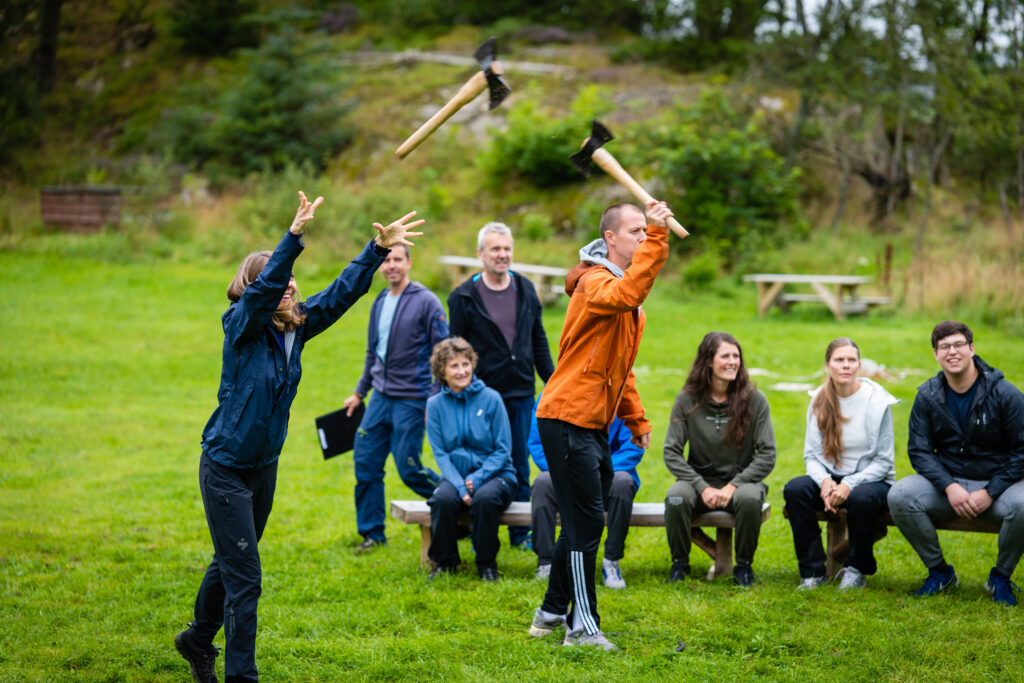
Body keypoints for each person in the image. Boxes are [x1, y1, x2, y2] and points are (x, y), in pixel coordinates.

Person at [175, 192, 424, 683]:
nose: (287, 285)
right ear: (252, 288)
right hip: (224, 465)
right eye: (275, 280)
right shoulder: (241, 326)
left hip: (262, 465)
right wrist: (292, 238)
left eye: (291, 278)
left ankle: (196, 640)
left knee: (230, 563)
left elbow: (340, 294)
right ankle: (240, 676)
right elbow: (266, 287)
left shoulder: (296, 328)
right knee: (246, 579)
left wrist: (375, 250)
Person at [527, 199, 673, 652]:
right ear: (610, 238)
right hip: (565, 415)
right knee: (587, 522)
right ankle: (581, 627)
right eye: (636, 232)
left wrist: (635, 417)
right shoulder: (595, 284)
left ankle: (551, 611)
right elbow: (629, 292)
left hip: (591, 422)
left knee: (585, 517)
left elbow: (621, 367)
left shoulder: (631, 307)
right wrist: (661, 235)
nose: (642, 238)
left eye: (644, 233)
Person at [888, 321, 1024, 606]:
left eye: (959, 344)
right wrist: (949, 486)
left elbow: (1022, 451)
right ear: (936, 354)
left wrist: (990, 491)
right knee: (900, 494)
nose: (952, 351)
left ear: (972, 349)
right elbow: (919, 451)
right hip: (948, 486)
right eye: (944, 346)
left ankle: (1000, 577)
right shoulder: (927, 396)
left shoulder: (1006, 394)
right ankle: (940, 572)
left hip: (998, 487)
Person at [447, 221, 555, 550]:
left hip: (521, 391)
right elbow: (456, 350)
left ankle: (520, 534)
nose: (502, 254)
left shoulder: (525, 289)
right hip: (482, 396)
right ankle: (480, 525)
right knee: (483, 461)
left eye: (507, 248)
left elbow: (538, 338)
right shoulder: (463, 297)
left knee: (520, 461)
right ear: (480, 254)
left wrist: (552, 381)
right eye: (495, 249)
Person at [341, 244, 449, 553]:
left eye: (397, 259)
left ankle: (455, 504)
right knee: (365, 462)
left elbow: (444, 352)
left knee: (409, 467)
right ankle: (373, 534)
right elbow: (372, 353)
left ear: (409, 263)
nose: (391, 266)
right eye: (386, 260)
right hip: (379, 399)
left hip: (412, 400)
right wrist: (360, 392)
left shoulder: (427, 301)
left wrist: (435, 397)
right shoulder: (379, 301)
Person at [783, 337, 898, 591]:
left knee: (862, 499)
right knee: (795, 490)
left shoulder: (877, 402)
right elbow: (811, 456)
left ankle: (856, 570)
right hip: (831, 476)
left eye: (851, 360)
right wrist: (825, 482)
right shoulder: (818, 400)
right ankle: (813, 573)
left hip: (871, 480)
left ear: (859, 365)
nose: (845, 365)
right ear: (828, 366)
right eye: (839, 360)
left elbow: (883, 461)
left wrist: (848, 484)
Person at [663, 332, 776, 587]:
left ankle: (744, 566)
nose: (732, 361)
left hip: (742, 482)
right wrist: (701, 487)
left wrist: (733, 486)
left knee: (748, 499)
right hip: (699, 482)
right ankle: (679, 563)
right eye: (725, 356)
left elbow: (768, 454)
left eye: (736, 356)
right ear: (709, 361)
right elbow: (671, 452)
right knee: (676, 497)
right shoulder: (686, 400)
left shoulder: (755, 400)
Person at [528, 391, 643, 587]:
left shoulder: (620, 393)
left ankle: (611, 562)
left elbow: (632, 447)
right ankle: (546, 563)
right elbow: (538, 444)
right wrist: (568, 470)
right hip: (566, 474)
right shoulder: (551, 393)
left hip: (609, 474)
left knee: (623, 482)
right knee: (542, 483)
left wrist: (599, 471)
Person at [425, 337, 516, 581]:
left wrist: (478, 478)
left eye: (465, 364)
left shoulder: (491, 398)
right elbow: (440, 454)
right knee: (442, 499)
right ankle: (446, 563)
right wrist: (459, 486)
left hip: (496, 474)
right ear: (442, 371)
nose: (462, 371)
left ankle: (487, 564)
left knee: (485, 500)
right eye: (454, 366)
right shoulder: (434, 405)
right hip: (456, 475)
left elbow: (503, 449)